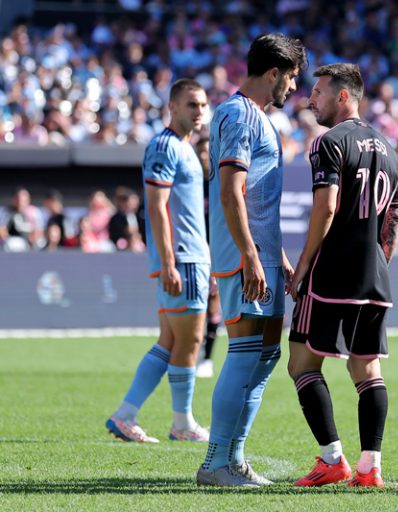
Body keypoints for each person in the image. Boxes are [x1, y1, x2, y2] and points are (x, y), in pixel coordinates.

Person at [287, 63, 398, 489]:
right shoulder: (391, 150)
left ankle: (332, 458)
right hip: (375, 274)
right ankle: (370, 467)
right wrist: (380, 262)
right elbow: (394, 220)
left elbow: (327, 207)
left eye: (318, 92)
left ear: (343, 96)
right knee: (367, 369)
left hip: (332, 270)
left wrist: (302, 267)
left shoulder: (329, 143)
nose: (310, 99)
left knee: (301, 363)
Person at [196, 33, 306, 488]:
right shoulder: (237, 114)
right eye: (293, 78)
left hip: (260, 256)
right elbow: (229, 191)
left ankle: (234, 458)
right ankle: (214, 462)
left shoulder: (258, 119)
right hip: (245, 257)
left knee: (265, 356)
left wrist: (277, 258)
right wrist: (249, 254)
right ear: (274, 73)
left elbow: (259, 204)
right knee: (244, 355)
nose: (294, 89)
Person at [106, 78, 211, 444]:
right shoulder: (165, 147)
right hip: (181, 258)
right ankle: (182, 423)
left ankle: (125, 414)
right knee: (191, 339)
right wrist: (168, 262)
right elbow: (156, 207)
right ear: (172, 107)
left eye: (202, 105)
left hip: (189, 256)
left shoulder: (186, 148)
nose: (199, 112)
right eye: (191, 105)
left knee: (169, 341)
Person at [193, 136, 222, 379]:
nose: (204, 157)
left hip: (216, 252)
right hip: (193, 252)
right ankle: (192, 351)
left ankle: (207, 358)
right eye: (200, 153)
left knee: (213, 302)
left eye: (207, 153)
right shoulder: (190, 183)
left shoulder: (221, 182)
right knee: (194, 305)